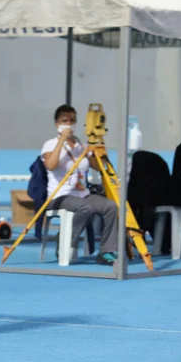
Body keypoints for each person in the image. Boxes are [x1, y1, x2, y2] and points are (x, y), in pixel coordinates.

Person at [41, 104, 118, 265]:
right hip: (59, 195)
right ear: (57, 123)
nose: (69, 124)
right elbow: (51, 165)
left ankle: (106, 251)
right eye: (65, 120)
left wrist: (99, 147)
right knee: (86, 208)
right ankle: (65, 241)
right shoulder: (50, 144)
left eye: (72, 120)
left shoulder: (81, 145)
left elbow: (98, 166)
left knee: (111, 206)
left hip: (82, 194)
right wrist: (62, 140)